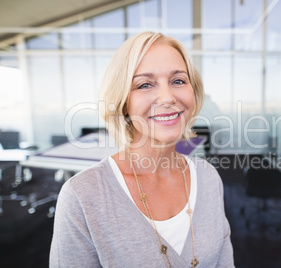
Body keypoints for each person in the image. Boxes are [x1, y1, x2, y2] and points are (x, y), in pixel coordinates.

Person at [49, 31, 234, 268]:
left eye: (178, 80)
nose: (167, 97)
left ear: (193, 92)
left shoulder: (208, 177)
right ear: (123, 103)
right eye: (144, 84)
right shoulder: (82, 196)